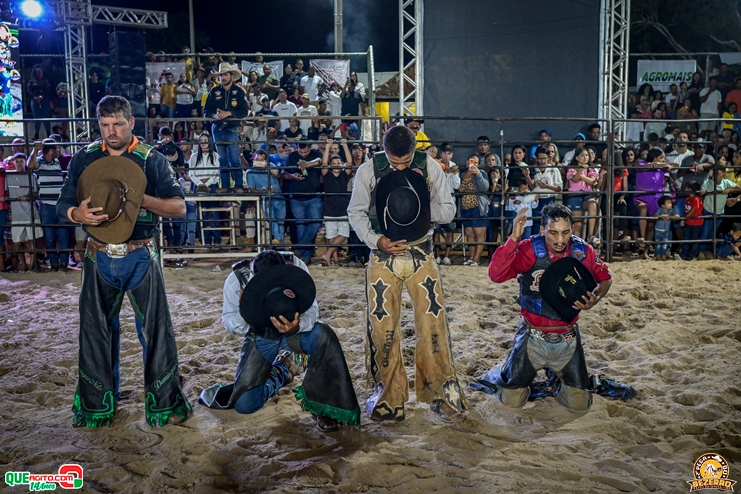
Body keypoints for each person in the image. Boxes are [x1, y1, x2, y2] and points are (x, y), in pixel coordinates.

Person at [56, 95, 191, 427]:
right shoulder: (85, 158)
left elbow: (179, 207)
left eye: (117, 124)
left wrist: (140, 197)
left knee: (156, 330)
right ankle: (97, 407)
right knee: (94, 331)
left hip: (141, 252)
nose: (111, 131)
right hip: (97, 255)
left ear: (131, 122)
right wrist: (78, 213)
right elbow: (63, 203)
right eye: (104, 125)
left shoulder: (151, 159)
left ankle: (163, 405)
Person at [347, 125, 467, 424]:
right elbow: (356, 212)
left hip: (421, 251)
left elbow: (448, 210)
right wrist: (376, 240)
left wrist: (421, 208)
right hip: (382, 253)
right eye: (394, 162)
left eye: (405, 161)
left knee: (433, 322)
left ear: (415, 151)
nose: (399, 167)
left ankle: (441, 392)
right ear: (384, 150)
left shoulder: (430, 167)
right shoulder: (368, 170)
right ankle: (389, 394)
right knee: (382, 324)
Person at [200, 251, 360, 432]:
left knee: (323, 335)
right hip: (261, 335)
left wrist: (296, 328)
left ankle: (325, 408)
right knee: (245, 405)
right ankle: (283, 369)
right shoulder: (236, 279)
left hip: (294, 334)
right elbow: (227, 321)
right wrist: (245, 315)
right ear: (253, 275)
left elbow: (313, 311)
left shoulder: (296, 267)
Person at [473, 203, 612, 411]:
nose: (559, 239)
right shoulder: (530, 249)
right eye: (553, 232)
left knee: (579, 404)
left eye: (565, 233)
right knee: (511, 401)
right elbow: (496, 275)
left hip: (568, 338)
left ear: (572, 230)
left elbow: (605, 278)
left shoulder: (582, 251)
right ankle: (506, 369)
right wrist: (514, 239)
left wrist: (596, 298)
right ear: (542, 230)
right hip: (532, 337)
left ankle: (555, 378)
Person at [203, 63, 249, 193]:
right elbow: (206, 111)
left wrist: (228, 113)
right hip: (217, 128)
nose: (222, 77)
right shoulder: (214, 91)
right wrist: (214, 115)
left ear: (231, 76)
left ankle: (239, 186)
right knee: (222, 159)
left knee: (234, 158)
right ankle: (226, 186)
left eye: (225, 74)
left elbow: (244, 111)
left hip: (232, 128)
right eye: (221, 75)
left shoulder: (239, 92)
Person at [27, 139, 70, 271]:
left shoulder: (56, 162)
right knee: (50, 236)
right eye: (56, 148)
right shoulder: (39, 161)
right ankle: (54, 262)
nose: (58, 151)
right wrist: (35, 150)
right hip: (46, 205)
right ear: (51, 150)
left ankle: (63, 262)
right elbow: (30, 166)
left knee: (63, 234)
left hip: (59, 204)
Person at [281, 139, 323, 264]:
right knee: (301, 226)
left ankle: (298, 250)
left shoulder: (316, 154)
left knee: (315, 224)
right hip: (296, 197)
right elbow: (284, 173)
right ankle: (305, 257)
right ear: (297, 148)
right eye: (301, 151)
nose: (303, 154)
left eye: (305, 152)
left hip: (313, 196)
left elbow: (319, 161)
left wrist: (307, 164)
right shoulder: (292, 156)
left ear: (310, 148)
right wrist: (293, 176)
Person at [320, 140, 352, 266]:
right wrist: (327, 147)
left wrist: (344, 146)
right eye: (333, 163)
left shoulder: (344, 175)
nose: (336, 164)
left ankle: (328, 254)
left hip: (342, 208)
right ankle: (335, 259)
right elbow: (323, 162)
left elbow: (349, 162)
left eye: (338, 162)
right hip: (329, 209)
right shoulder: (327, 174)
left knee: (344, 233)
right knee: (331, 235)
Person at [698, 166, 741, 258]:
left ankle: (708, 252)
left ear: (724, 174)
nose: (716, 175)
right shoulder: (708, 182)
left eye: (718, 173)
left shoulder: (726, 183)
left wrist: (730, 190)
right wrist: (703, 191)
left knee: (713, 233)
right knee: (705, 232)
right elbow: (702, 190)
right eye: (715, 173)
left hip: (719, 212)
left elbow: (739, 188)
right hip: (709, 210)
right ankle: (701, 252)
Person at [246, 149, 285, 245]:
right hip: (265, 199)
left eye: (261, 160)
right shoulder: (250, 172)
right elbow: (252, 189)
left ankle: (281, 248)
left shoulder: (271, 166)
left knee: (281, 223)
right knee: (271, 218)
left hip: (278, 197)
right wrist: (264, 191)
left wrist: (267, 167)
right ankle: (277, 237)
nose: (259, 162)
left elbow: (278, 175)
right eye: (257, 160)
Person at [459, 155, 490, 266]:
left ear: (478, 164)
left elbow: (484, 188)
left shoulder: (482, 173)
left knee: (479, 234)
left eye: (475, 162)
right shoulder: (463, 174)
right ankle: (471, 258)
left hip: (478, 206)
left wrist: (478, 174)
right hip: (465, 207)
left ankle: (477, 259)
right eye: (471, 161)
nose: (473, 164)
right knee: (469, 233)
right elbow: (460, 189)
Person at [434, 143, 460, 265]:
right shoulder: (436, 164)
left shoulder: (454, 167)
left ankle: (447, 256)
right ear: (441, 154)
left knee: (450, 230)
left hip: (450, 200)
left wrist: (454, 173)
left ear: (452, 155)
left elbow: (457, 185)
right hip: (437, 200)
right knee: (436, 230)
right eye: (444, 153)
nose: (446, 155)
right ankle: (437, 255)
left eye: (449, 153)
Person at [27, 64, 52, 139]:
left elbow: (49, 89)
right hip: (34, 100)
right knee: (36, 118)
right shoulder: (32, 81)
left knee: (46, 118)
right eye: (38, 72)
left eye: (41, 72)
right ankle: (36, 134)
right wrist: (34, 97)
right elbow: (28, 90)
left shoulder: (45, 80)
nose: (39, 73)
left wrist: (43, 97)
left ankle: (48, 135)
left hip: (44, 99)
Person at [681, 181, 704, 260]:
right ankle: (684, 255)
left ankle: (693, 255)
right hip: (689, 222)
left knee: (694, 240)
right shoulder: (687, 199)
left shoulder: (696, 199)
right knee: (687, 239)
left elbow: (693, 210)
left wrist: (684, 218)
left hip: (696, 223)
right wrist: (684, 218)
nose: (685, 189)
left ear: (690, 189)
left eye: (687, 188)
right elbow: (687, 211)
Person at [653, 195, 680, 260]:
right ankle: (658, 255)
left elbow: (677, 216)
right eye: (668, 203)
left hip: (666, 231)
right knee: (658, 244)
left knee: (664, 244)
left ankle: (663, 255)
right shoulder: (660, 210)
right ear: (663, 205)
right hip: (658, 230)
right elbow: (655, 215)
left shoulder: (672, 211)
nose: (670, 204)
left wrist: (669, 217)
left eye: (670, 203)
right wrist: (661, 216)